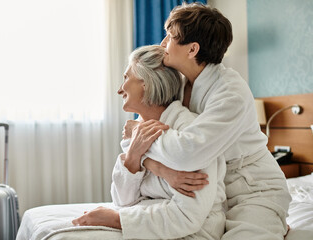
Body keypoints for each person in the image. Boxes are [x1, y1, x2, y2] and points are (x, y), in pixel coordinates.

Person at [121, 3, 291, 240]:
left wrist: (140, 133)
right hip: (211, 194)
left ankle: (271, 219)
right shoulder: (178, 84)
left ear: (192, 49)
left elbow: (188, 152)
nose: (162, 44)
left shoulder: (231, 93)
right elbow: (134, 147)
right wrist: (157, 167)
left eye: (170, 37)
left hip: (253, 189)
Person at [73, 45, 227, 239]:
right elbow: (122, 200)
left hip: (195, 233)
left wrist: (115, 219)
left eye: (126, 78)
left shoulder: (189, 134)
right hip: (153, 222)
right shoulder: (136, 129)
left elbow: (188, 217)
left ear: (146, 83)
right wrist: (134, 157)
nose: (120, 89)